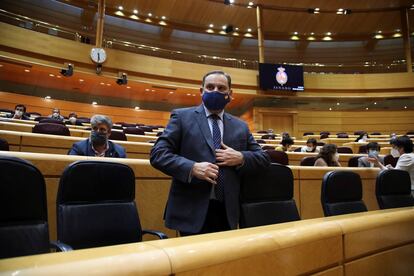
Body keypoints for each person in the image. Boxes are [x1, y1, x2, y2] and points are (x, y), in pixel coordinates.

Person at [150, 70, 270, 236]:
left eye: (221, 88)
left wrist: (241, 157)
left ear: (230, 94)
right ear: (201, 91)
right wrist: (192, 168)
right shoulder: (182, 117)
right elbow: (158, 154)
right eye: (210, 87)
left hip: (227, 210)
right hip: (191, 210)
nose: (215, 91)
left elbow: (263, 158)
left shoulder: (240, 126)